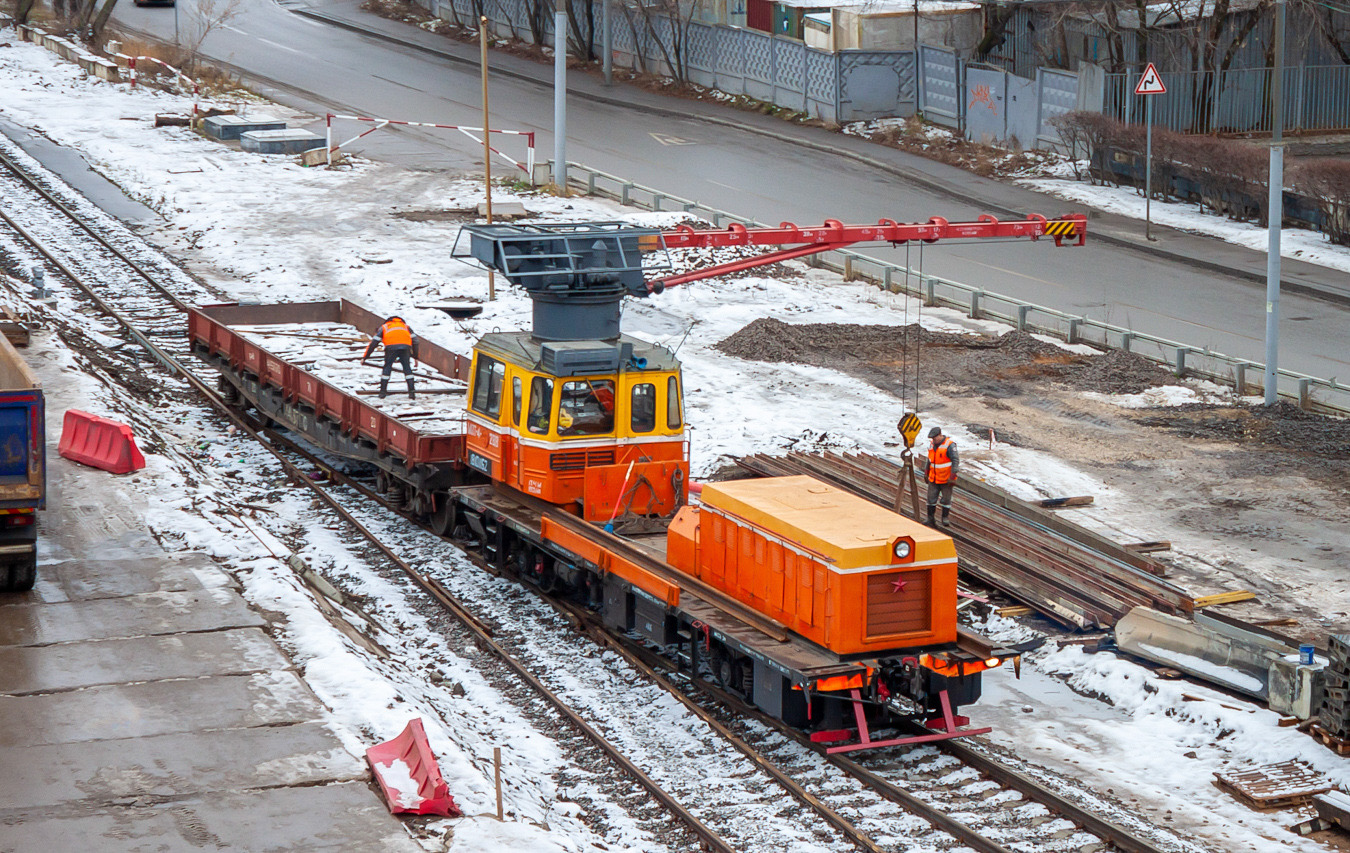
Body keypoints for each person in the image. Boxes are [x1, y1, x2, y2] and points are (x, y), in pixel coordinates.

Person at [363, 316, 418, 399]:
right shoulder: (406, 327)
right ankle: (412, 392)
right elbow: (416, 341)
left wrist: (365, 357)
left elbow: (374, 343)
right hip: (405, 348)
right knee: (407, 368)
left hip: (391, 348)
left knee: (387, 367)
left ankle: (382, 392)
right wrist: (415, 356)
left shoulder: (384, 327)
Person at [925, 426, 959, 526]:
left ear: (940, 435)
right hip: (934, 478)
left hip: (946, 479)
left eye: (935, 438)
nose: (933, 440)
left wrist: (952, 477)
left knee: (946, 500)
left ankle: (945, 518)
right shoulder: (932, 445)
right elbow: (929, 460)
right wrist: (926, 472)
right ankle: (930, 519)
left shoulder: (950, 446)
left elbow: (955, 461)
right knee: (931, 500)